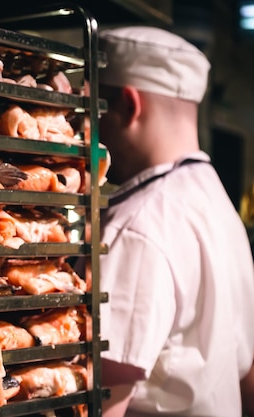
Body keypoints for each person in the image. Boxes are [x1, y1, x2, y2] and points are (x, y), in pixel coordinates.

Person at [96, 26, 254, 416]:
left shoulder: (138, 223)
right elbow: (246, 369)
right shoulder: (217, 203)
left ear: (129, 106)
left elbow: (108, 399)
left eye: (97, 110)